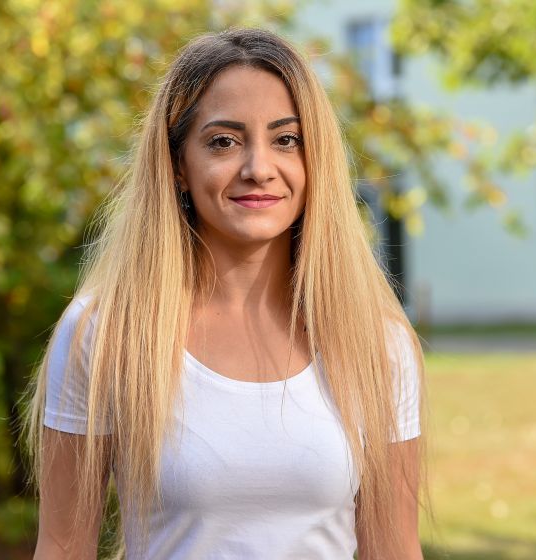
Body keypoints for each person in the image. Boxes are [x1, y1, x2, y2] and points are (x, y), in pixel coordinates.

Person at [24, 27, 426, 560]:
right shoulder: (107, 333)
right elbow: (62, 547)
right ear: (178, 168)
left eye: (286, 139)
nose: (259, 168)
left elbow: (394, 550)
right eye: (223, 141)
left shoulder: (376, 342)